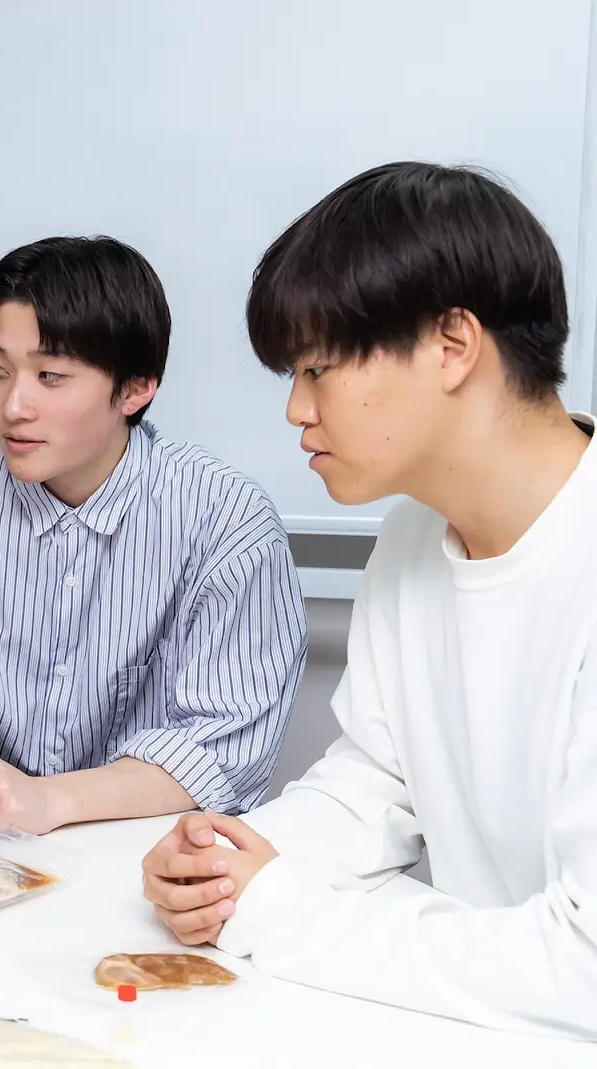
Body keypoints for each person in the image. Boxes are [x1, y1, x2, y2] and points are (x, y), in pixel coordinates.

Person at [140, 162, 597, 1039]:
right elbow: (375, 785)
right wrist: (223, 862)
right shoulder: (413, 539)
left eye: (317, 367)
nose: (296, 408)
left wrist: (278, 911)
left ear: (452, 344)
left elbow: (584, 965)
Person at [0, 236, 308, 833]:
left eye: (51, 375)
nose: (13, 406)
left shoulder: (227, 520)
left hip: (148, 856)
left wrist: (52, 801)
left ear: (137, 387)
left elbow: (225, 751)